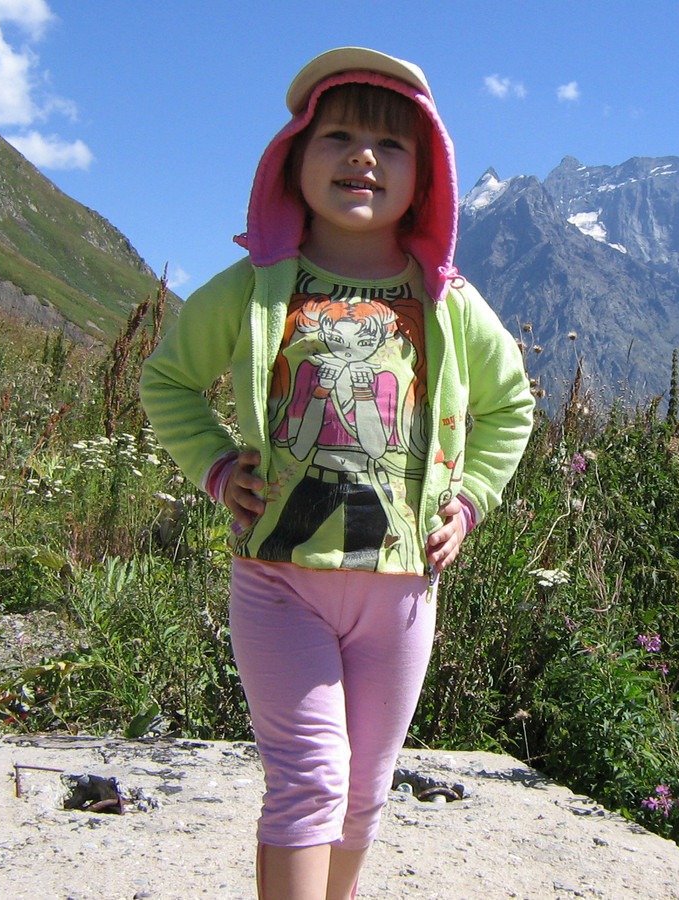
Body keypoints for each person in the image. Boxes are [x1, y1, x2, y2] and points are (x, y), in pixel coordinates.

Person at [140, 47, 534, 899]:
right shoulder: (255, 287)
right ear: (293, 157)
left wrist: (470, 500)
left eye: (392, 145)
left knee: (364, 795)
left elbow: (511, 407)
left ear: (426, 176)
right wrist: (216, 467)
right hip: (279, 579)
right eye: (340, 137)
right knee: (309, 779)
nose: (364, 157)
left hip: (402, 590)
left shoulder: (448, 299)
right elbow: (167, 380)